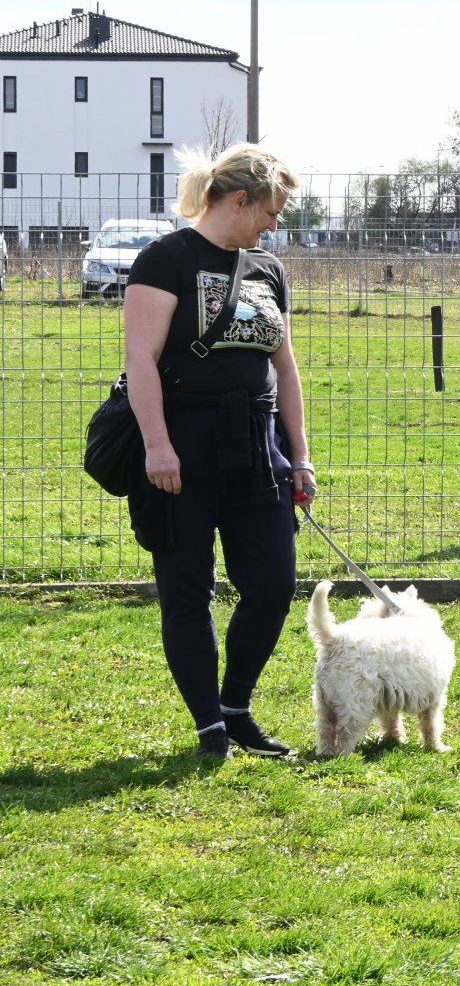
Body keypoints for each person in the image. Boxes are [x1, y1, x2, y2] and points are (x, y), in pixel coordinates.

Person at [124, 144, 315, 760]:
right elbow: (141, 361)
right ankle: (208, 724)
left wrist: (301, 456)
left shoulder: (267, 269)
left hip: (257, 446)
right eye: (271, 211)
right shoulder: (165, 259)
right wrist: (157, 445)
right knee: (188, 589)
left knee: (272, 582)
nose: (274, 224)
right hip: (184, 443)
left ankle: (236, 706)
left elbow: (285, 370)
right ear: (240, 200)